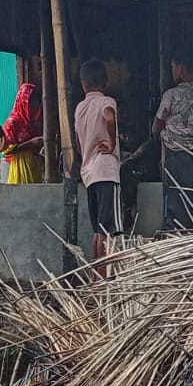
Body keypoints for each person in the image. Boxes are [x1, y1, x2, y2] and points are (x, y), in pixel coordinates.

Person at [151, 52, 193, 229]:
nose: (172, 70)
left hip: (176, 157)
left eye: (173, 67)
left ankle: (177, 235)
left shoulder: (170, 95)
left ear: (180, 68)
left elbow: (156, 126)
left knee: (175, 203)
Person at [73, 59, 122, 260]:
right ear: (106, 82)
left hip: (89, 172)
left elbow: (77, 142)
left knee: (97, 229)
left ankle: (96, 275)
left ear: (84, 84)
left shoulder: (79, 108)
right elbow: (109, 117)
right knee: (108, 229)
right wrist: (111, 143)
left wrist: (86, 152)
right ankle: (103, 276)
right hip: (106, 170)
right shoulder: (107, 101)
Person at [2, 83, 46, 184]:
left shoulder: (31, 124)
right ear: (23, 102)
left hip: (34, 169)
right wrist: (31, 143)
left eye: (36, 105)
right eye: (31, 104)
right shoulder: (12, 123)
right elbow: (6, 151)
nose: (34, 108)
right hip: (20, 172)